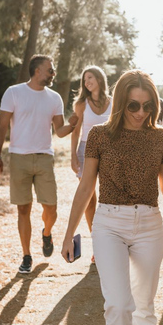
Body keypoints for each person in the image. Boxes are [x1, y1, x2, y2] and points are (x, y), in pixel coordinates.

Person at [60, 70, 163, 325]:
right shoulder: (100, 135)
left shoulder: (160, 137)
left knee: (144, 303)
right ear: (120, 102)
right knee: (118, 303)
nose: (140, 112)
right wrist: (71, 231)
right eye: (133, 104)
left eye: (147, 106)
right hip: (109, 223)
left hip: (148, 223)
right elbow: (86, 186)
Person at [0, 54, 78, 274]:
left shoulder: (55, 98)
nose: (53, 73)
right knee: (23, 209)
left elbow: (59, 131)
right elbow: (2, 126)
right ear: (37, 71)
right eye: (50, 70)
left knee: (51, 207)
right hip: (19, 157)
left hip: (44, 158)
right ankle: (26, 256)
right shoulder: (14, 92)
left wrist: (73, 123)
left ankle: (47, 233)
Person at [70, 66, 112, 264]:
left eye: (90, 77)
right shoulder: (81, 104)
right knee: (89, 198)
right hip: (85, 150)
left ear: (99, 79)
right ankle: (97, 245)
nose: (87, 82)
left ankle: (109, 242)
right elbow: (76, 132)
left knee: (107, 197)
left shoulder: (113, 103)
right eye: (84, 79)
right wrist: (73, 155)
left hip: (108, 150)